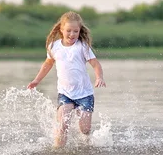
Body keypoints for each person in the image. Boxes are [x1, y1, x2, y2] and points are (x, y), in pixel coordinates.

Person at [27, 11, 106, 147]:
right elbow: (48, 64)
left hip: (85, 94)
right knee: (62, 125)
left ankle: (86, 148)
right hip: (65, 93)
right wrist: (36, 80)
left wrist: (99, 77)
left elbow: (95, 63)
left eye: (75, 31)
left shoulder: (82, 47)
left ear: (80, 30)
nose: (72, 34)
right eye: (68, 31)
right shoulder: (54, 46)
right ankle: (58, 154)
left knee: (85, 129)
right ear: (61, 29)